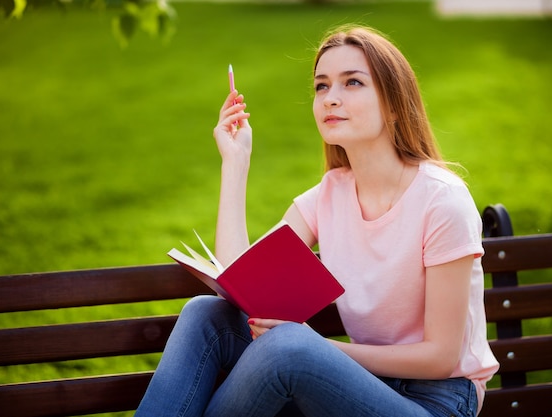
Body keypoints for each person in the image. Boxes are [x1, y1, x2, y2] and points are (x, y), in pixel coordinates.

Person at [135, 24, 499, 417]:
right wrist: (235, 163)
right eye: (322, 86)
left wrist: (320, 348)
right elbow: (242, 282)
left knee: (288, 347)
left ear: (394, 104)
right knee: (206, 315)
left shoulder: (441, 200)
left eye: (353, 83)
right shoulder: (329, 195)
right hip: (356, 386)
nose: (331, 99)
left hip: (438, 401)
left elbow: (441, 358)